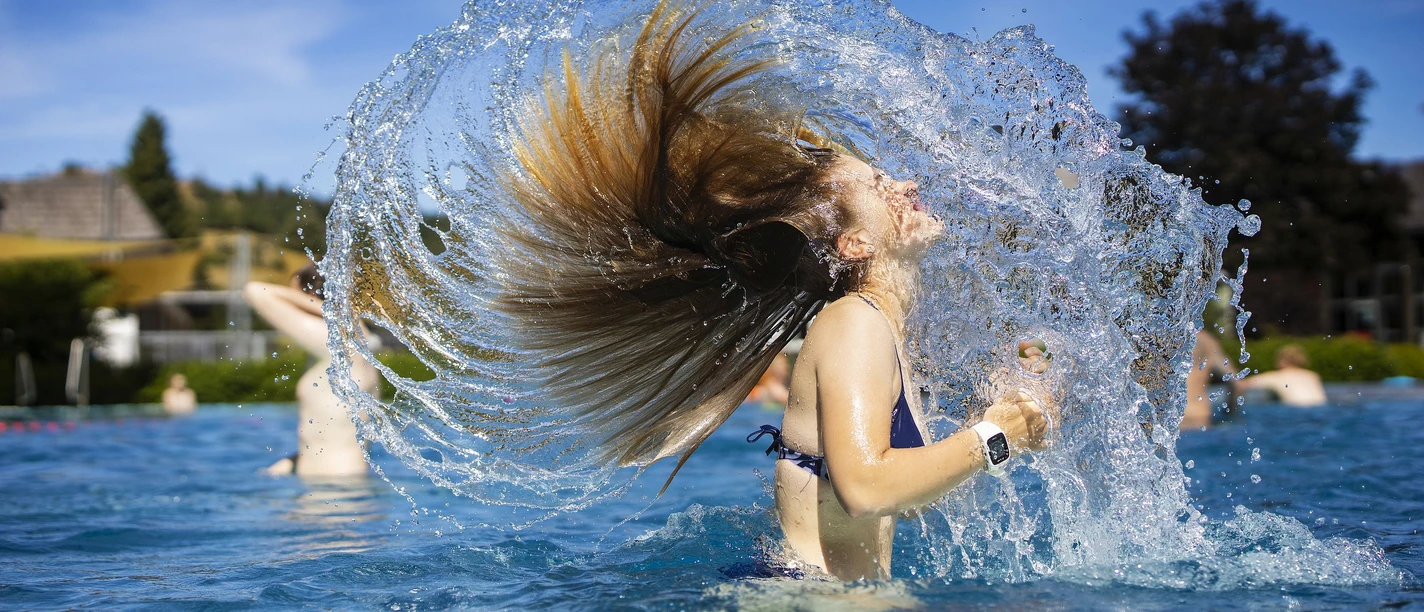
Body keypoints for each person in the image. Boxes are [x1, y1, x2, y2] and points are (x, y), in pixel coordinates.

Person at [493, 2, 1053, 581]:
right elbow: (864, 488)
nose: (907, 184)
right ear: (857, 243)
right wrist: (993, 435)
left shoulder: (877, 328)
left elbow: (901, 496)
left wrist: (1004, 425)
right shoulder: (852, 323)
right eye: (881, 185)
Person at [244, 265, 382, 478]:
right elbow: (331, 433)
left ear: (309, 296)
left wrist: (319, 306)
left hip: (332, 490)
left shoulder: (337, 342)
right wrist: (290, 463)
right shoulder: (355, 346)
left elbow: (255, 290)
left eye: (293, 296)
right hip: (341, 484)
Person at [1236, 344, 1326, 407]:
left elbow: (1241, 384)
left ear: (1282, 361)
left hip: (1296, 412)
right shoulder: (1313, 376)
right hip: (1321, 410)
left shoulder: (1276, 377)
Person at [1182, 329, 1238, 430]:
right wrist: (1231, 414)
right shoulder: (1207, 341)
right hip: (1200, 416)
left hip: (1167, 421)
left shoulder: (1160, 336)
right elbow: (1235, 381)